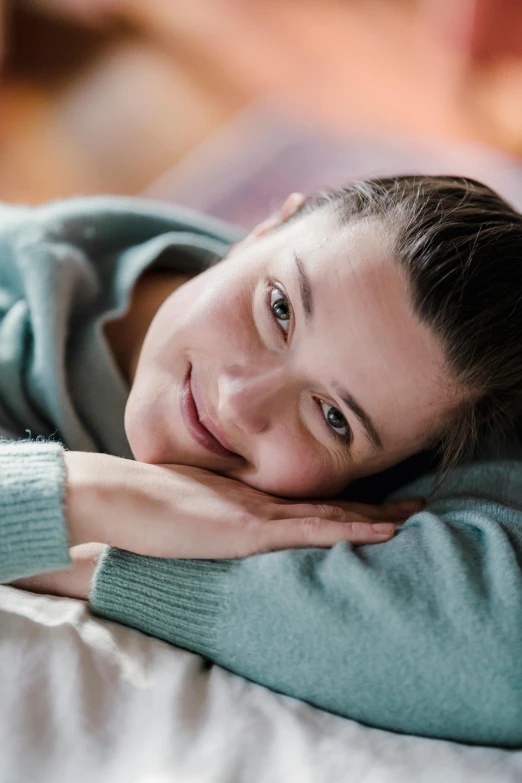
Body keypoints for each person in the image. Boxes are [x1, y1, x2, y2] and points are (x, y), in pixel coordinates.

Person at [3, 175, 522, 746]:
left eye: (333, 418)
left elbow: (503, 663)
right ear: (264, 227)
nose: (239, 401)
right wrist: (84, 495)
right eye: (279, 310)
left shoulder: (435, 399)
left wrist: (88, 555)